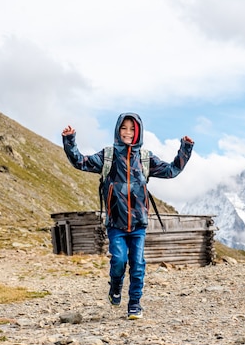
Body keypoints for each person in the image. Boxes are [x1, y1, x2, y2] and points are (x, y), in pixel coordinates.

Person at [62, 112, 194, 320]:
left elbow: (171, 170)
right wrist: (70, 140)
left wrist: (185, 149)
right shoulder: (108, 156)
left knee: (138, 265)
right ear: (117, 130)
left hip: (139, 224)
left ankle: (134, 304)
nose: (128, 132)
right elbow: (80, 162)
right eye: (124, 128)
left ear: (138, 132)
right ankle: (115, 287)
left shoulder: (145, 158)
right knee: (118, 261)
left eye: (132, 129)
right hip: (116, 224)